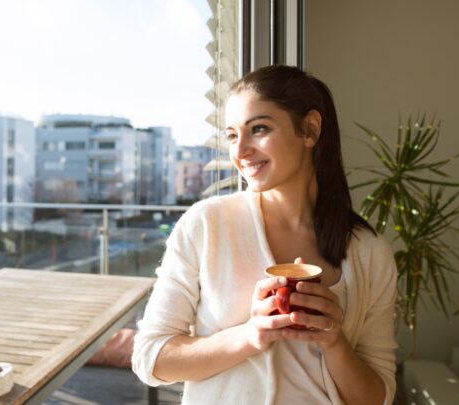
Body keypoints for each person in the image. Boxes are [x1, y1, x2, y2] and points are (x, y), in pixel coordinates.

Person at [132, 64, 398, 405]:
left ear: (310, 129)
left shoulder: (369, 252)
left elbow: (378, 398)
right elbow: (150, 358)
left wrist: (335, 341)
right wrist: (250, 336)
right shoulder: (207, 224)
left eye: (258, 129)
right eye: (231, 135)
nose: (239, 151)